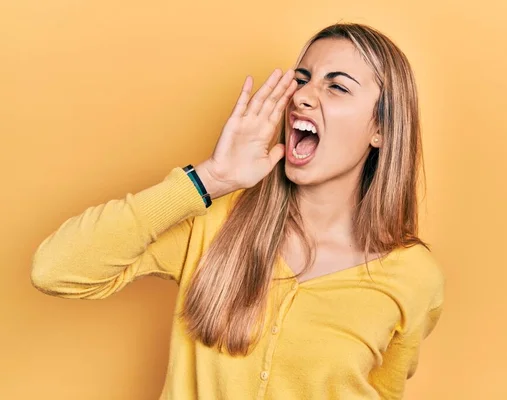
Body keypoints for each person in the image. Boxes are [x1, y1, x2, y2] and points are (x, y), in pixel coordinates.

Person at [31, 22, 445, 400]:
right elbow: (56, 269)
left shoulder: (413, 277)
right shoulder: (215, 223)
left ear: (381, 129)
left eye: (336, 87)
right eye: (301, 80)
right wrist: (209, 179)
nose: (301, 95)